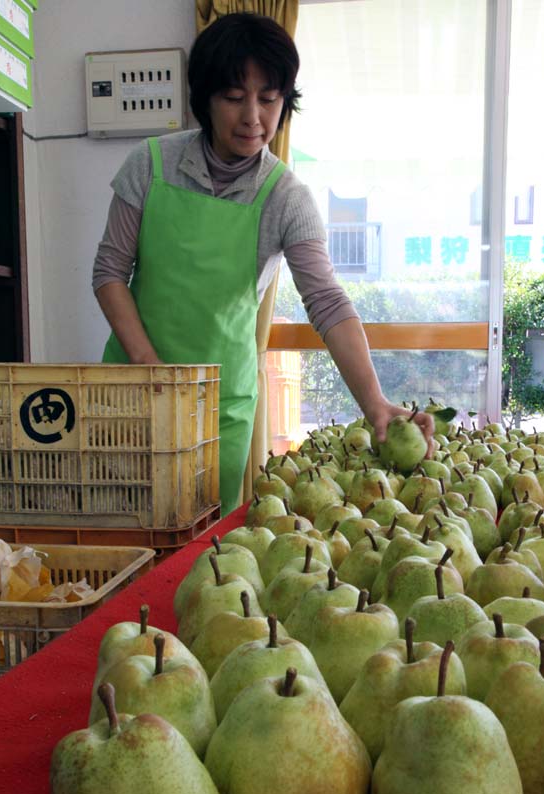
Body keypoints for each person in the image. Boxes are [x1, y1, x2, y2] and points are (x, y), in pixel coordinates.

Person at [93, 12, 434, 516]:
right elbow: (108, 273)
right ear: (205, 100)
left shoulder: (286, 197)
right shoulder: (150, 164)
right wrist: (151, 370)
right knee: (115, 532)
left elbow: (327, 303)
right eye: (234, 98)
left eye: (269, 98)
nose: (253, 117)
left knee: (200, 555)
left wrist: (375, 403)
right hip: (130, 395)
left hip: (218, 408)